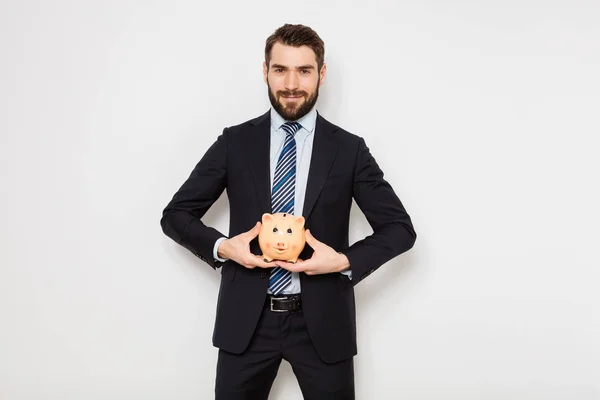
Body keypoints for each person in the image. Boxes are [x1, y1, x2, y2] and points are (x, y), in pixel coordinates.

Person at [161, 23, 416, 400]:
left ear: (322, 74)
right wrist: (224, 248)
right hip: (246, 322)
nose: (291, 83)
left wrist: (342, 261)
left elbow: (399, 229)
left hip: (324, 325)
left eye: (304, 70)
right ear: (265, 71)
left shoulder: (349, 150)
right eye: (280, 69)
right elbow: (176, 214)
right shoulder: (235, 142)